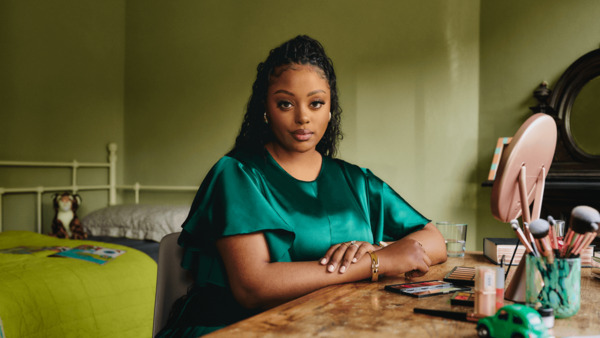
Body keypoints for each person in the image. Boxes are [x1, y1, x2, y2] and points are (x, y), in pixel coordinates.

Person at [157, 35, 447, 337]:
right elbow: (253, 287)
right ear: (265, 109)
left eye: (316, 103)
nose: (303, 117)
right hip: (239, 328)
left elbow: (433, 239)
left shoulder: (356, 180)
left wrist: (379, 248)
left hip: (331, 327)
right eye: (285, 103)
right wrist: (377, 262)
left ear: (330, 108)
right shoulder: (237, 174)